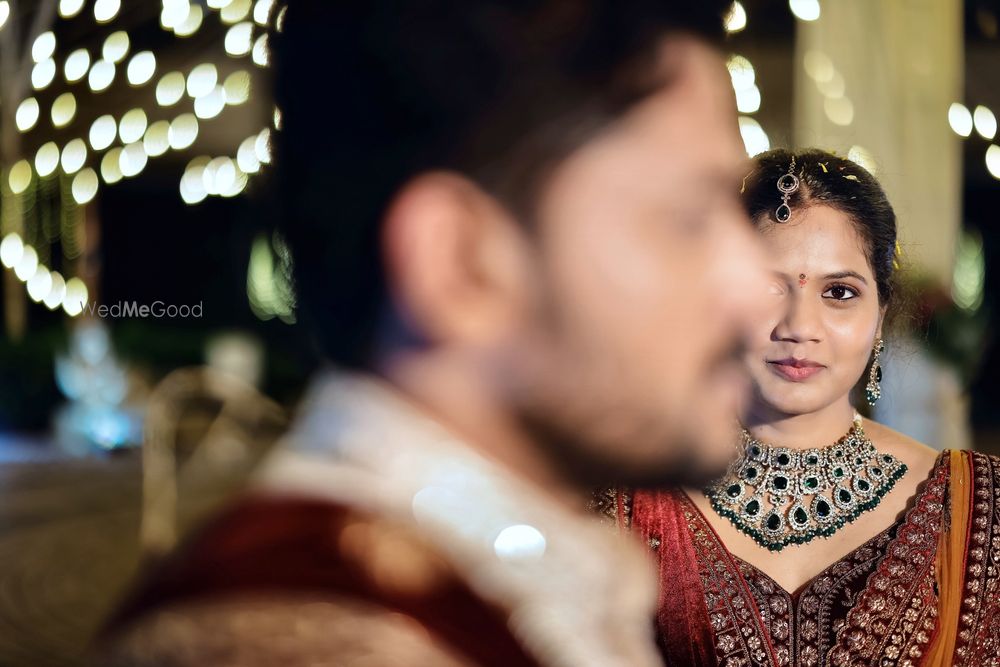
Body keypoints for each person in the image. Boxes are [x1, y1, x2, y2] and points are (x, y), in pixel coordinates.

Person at [99, 2, 771, 666]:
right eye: (686, 219)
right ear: (459, 264)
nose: (755, 288)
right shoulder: (296, 639)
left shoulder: (541, 589)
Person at [610, 148, 1000, 667]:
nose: (799, 327)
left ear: (881, 317)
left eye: (839, 292)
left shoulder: (978, 508)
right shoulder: (621, 501)